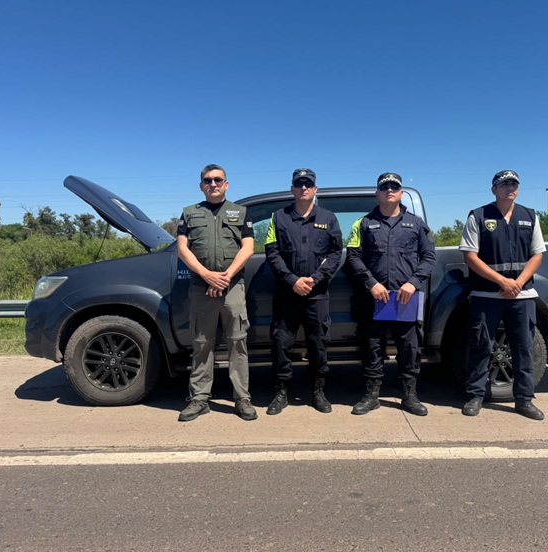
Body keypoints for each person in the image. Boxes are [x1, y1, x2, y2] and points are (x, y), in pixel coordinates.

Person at [344, 172, 436, 416]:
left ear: (401, 193)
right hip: (375, 297)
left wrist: (413, 283)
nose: (389, 190)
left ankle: (410, 395)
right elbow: (352, 256)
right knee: (373, 346)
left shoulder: (417, 224)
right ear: (377, 193)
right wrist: (371, 283)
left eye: (394, 187)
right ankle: (371, 395)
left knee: (409, 348)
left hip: (406, 297)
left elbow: (429, 257)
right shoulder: (363, 223)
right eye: (384, 187)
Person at [459, 170, 546, 420]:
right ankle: (475, 396)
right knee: (481, 347)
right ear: (494, 189)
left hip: (522, 295)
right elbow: (470, 256)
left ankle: (524, 400)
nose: (510, 188)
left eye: (514, 184)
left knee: (524, 349)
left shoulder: (529, 216)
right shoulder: (478, 216)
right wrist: (502, 281)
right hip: (487, 295)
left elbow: (537, 254)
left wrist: (517, 283)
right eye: (504, 184)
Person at [176, 164, 257, 422]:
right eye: (208, 180)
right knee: (201, 344)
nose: (213, 184)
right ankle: (199, 399)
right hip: (201, 288)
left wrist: (225, 277)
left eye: (218, 180)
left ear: (226, 184)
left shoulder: (240, 212)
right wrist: (206, 275)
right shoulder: (189, 213)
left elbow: (248, 248)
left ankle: (242, 398)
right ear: (201, 185)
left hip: (232, 287)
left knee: (237, 342)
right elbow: (182, 249)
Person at [264, 168, 343, 414]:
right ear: (292, 189)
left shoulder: (329, 218)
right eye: (299, 184)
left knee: (318, 342)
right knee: (281, 342)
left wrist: (315, 278)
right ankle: (281, 392)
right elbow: (272, 252)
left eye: (308, 184)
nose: (303, 188)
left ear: (315, 189)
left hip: (316, 294)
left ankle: (318, 391)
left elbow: (335, 253)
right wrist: (292, 280)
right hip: (287, 293)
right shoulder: (278, 217)